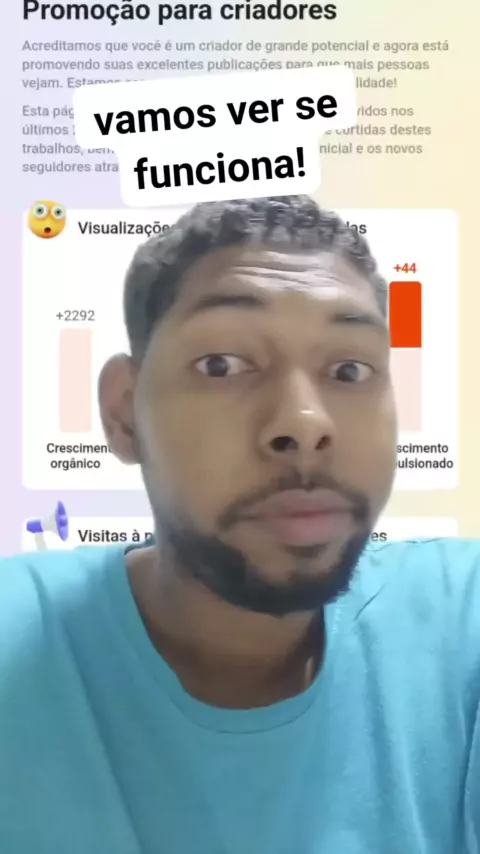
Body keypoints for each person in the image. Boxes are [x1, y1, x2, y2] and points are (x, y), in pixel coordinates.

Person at [1, 195, 478, 854]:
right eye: (221, 364)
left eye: (349, 370)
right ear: (124, 413)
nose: (305, 423)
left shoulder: (462, 622)